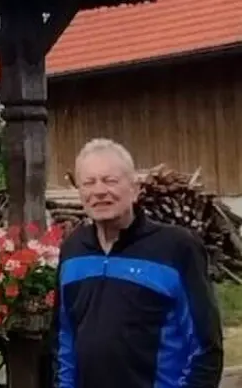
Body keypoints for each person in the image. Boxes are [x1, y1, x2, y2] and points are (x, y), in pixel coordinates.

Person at [54, 138, 223, 388]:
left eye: (110, 180)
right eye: (89, 182)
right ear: (80, 192)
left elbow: (205, 348)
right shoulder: (73, 251)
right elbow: (64, 340)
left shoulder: (175, 248)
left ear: (134, 189)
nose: (99, 191)